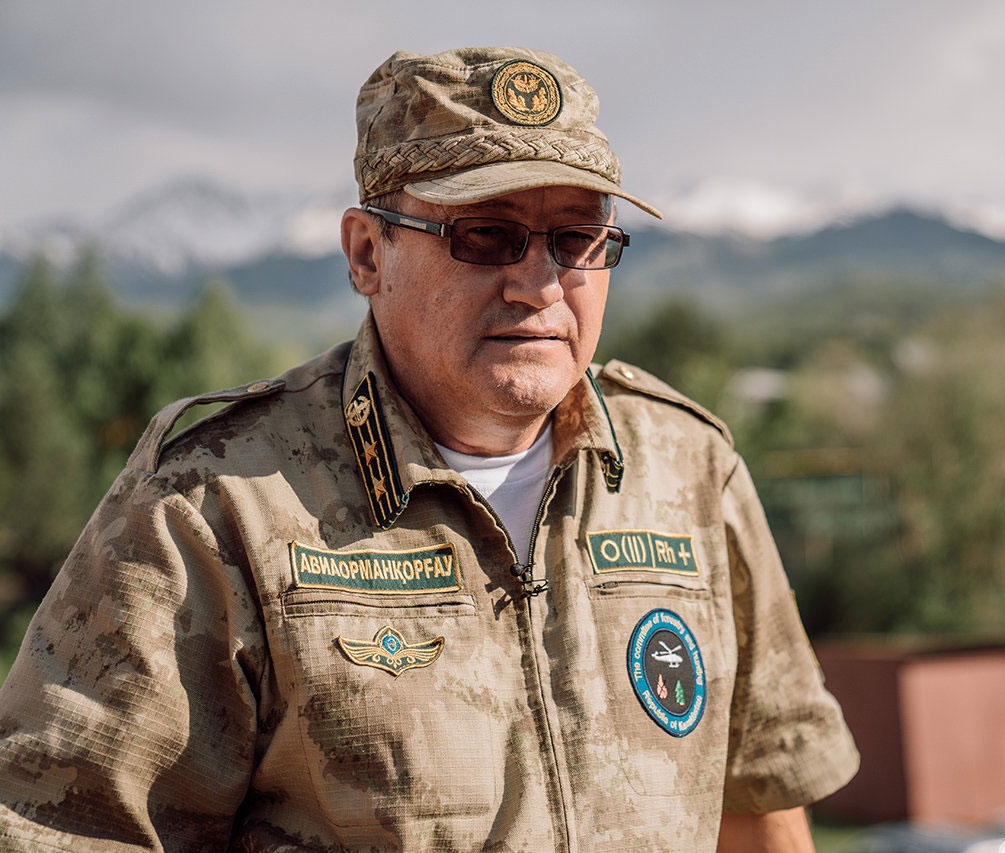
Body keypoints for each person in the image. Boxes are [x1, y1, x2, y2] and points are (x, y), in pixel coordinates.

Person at [0, 47, 857, 851]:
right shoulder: (216, 503)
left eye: (577, 239)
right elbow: (64, 829)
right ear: (367, 253)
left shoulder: (690, 468)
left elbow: (761, 794)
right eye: (485, 235)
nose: (540, 283)